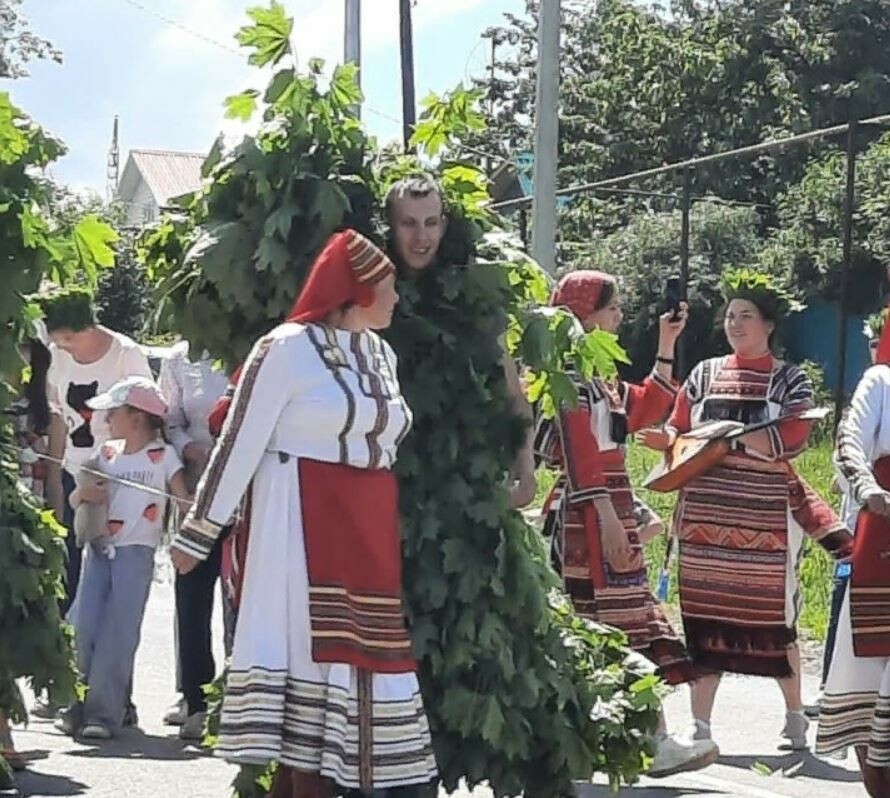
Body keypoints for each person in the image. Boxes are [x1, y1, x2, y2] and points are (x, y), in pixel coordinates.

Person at [171, 230, 437, 798]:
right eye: (386, 289)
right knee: (308, 676)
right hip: (295, 528)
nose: (395, 299)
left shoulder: (380, 352)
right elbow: (238, 442)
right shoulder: (286, 348)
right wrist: (199, 533)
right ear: (357, 291)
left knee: (365, 668)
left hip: (366, 528)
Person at [640, 268, 852, 751]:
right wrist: (668, 440)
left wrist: (722, 439)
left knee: (777, 620)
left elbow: (793, 437)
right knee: (704, 617)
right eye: (731, 316)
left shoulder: (789, 380)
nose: (735, 324)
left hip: (766, 522)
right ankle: (702, 726)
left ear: (769, 325)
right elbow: (679, 427)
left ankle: (795, 715)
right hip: (704, 519)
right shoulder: (704, 374)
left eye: (746, 316)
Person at [537, 270, 717, 777]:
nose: (619, 317)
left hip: (606, 508)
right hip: (590, 513)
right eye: (611, 309)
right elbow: (580, 453)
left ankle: (621, 740)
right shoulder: (569, 376)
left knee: (612, 626)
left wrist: (666, 343)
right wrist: (610, 520)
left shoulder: (599, 376)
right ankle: (648, 740)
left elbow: (644, 411)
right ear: (585, 314)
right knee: (616, 627)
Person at [383, 174, 536, 509]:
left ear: (444, 224)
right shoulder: (370, 302)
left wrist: (525, 464)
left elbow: (513, 394)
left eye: (431, 223)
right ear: (389, 226)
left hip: (466, 492)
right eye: (408, 223)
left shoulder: (475, 299)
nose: (421, 237)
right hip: (390, 493)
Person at [56, 376, 189, 739]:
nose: (106, 419)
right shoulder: (106, 453)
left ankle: (103, 714)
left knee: (118, 633)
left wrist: (186, 540)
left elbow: (183, 499)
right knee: (82, 625)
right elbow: (76, 499)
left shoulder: (163, 457)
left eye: (113, 412)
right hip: (97, 550)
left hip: (136, 555)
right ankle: (74, 705)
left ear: (137, 417)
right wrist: (82, 494)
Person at [37, 286, 154, 617]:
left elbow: (145, 421)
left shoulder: (125, 356)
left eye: (69, 339)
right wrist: (55, 479)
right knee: (67, 574)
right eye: (58, 339)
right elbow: (58, 412)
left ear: (88, 327)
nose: (62, 346)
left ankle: (102, 660)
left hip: (116, 480)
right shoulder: (57, 356)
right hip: (74, 473)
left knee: (105, 581)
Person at [815, 310, 890, 797]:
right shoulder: (882, 381)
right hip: (885, 541)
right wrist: (867, 487)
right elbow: (847, 443)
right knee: (874, 672)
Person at [158, 342, 231, 739]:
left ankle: (236, 697)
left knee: (240, 599)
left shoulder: (252, 343)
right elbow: (168, 419)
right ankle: (195, 698)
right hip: (194, 490)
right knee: (191, 592)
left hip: (243, 492)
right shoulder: (177, 358)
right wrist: (189, 448)